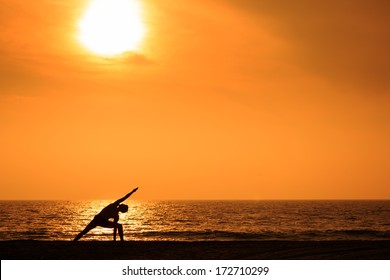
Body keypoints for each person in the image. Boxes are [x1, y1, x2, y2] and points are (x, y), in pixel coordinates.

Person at [73, 187, 139, 241]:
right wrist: (132, 192)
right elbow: (125, 197)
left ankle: (122, 241)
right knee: (85, 231)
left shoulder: (116, 216)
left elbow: (115, 227)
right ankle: (74, 241)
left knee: (119, 226)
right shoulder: (115, 204)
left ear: (122, 209)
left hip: (103, 222)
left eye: (123, 206)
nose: (122, 204)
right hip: (97, 219)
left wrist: (114, 239)